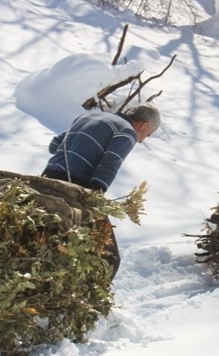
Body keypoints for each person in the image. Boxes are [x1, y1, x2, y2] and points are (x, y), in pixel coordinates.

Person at [42, 103, 161, 279]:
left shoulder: (88, 117)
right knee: (107, 253)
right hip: (73, 188)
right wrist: (94, 200)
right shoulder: (127, 132)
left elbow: (54, 146)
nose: (142, 140)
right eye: (148, 134)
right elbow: (108, 165)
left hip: (45, 179)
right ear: (143, 125)